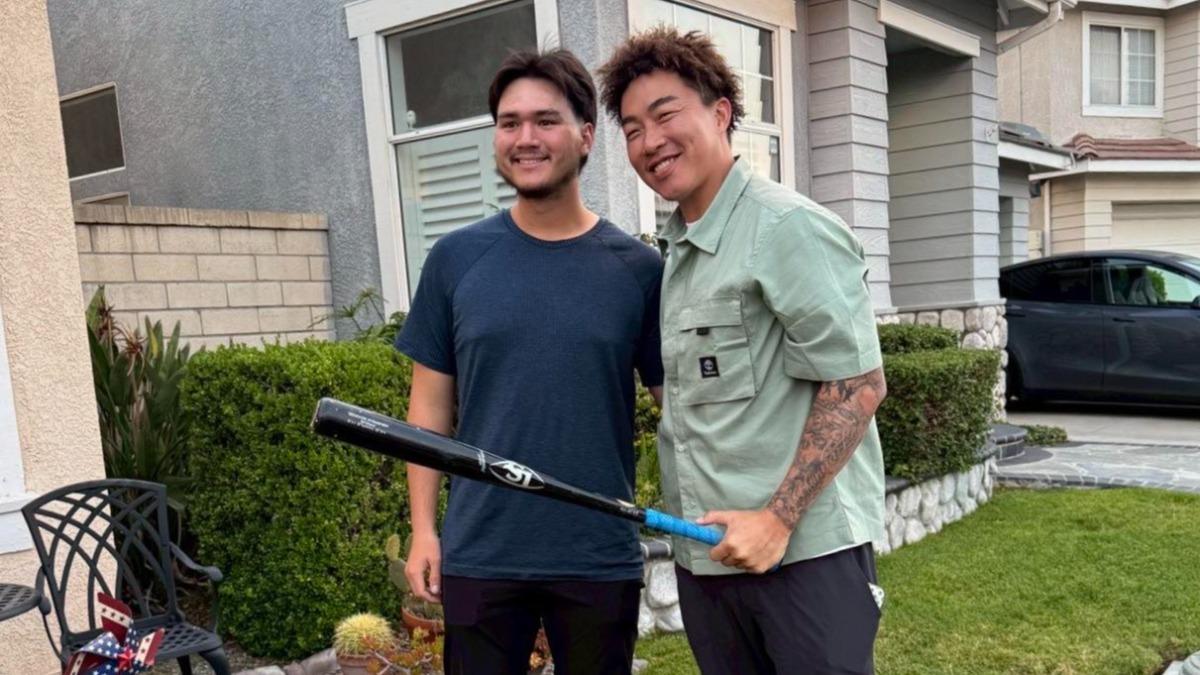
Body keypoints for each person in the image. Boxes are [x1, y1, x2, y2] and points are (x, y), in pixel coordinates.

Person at [599, 27, 889, 674]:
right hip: (708, 559)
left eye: (665, 115)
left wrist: (777, 520)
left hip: (803, 559)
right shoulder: (675, 253)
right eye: (633, 129)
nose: (649, 142)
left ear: (720, 113)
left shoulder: (787, 227)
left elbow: (857, 386)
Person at [394, 47, 664, 675]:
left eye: (546, 121)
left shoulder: (638, 270)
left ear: (586, 136)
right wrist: (424, 529)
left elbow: (678, 407)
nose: (525, 138)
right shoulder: (456, 260)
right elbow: (427, 412)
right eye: (509, 123)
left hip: (597, 551)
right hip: (483, 550)